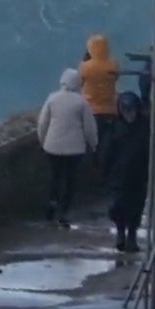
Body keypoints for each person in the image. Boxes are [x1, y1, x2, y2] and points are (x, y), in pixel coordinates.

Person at [37, 67, 98, 228]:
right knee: (70, 179)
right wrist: (93, 144)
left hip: (53, 146)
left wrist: (42, 141)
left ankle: (51, 205)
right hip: (74, 149)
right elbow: (89, 127)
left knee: (55, 177)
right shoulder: (81, 102)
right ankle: (64, 211)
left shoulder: (52, 98)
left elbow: (42, 123)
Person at [102, 91, 149, 253]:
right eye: (125, 110)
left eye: (131, 110)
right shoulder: (114, 126)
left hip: (139, 175)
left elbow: (150, 150)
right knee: (118, 207)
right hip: (119, 175)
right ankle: (121, 234)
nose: (129, 114)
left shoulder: (145, 126)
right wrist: (106, 171)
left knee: (136, 207)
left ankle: (132, 237)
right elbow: (107, 151)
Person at [78, 33, 119, 165]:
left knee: (91, 143)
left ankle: (92, 169)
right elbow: (115, 78)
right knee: (106, 145)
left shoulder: (85, 67)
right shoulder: (113, 65)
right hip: (109, 109)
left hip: (91, 109)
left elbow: (79, 81)